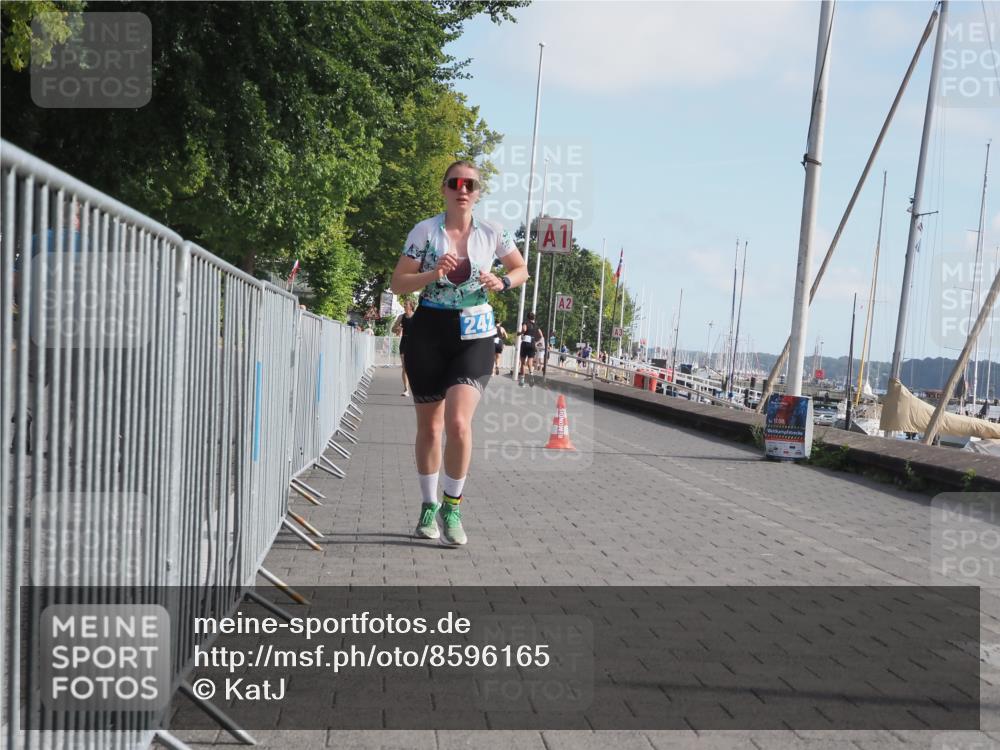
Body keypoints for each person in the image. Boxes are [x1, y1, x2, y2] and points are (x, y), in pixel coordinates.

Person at [390, 160, 528, 546]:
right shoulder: (425, 231)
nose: (462, 190)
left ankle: (452, 507)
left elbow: (521, 269)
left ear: (478, 193)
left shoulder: (493, 232)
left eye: (470, 184)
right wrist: (433, 273)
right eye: (455, 183)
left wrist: (502, 281)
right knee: (431, 428)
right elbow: (398, 282)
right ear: (444, 189)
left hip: (475, 333)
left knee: (459, 424)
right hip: (430, 332)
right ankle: (428, 506)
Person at [392, 298, 415, 396]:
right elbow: (393, 329)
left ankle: (416, 387)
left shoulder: (417, 316)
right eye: (404, 304)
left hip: (415, 343)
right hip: (404, 342)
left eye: (406, 304)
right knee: (405, 367)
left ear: (411, 306)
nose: (404, 306)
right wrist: (397, 329)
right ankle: (406, 389)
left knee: (414, 367)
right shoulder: (401, 317)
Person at [518, 312, 542, 387]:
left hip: (525, 342)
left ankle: (522, 381)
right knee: (530, 362)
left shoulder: (525, 322)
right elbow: (541, 335)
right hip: (532, 343)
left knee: (522, 362)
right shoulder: (536, 325)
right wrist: (536, 343)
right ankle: (531, 375)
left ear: (527, 317)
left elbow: (524, 329)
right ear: (534, 318)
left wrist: (520, 333)